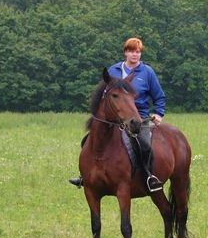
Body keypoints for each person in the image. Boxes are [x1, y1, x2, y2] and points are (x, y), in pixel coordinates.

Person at [69, 37, 167, 192]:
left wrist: (159, 113)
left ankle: (149, 177)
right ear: (125, 52)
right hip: (113, 119)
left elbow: (159, 96)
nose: (135, 55)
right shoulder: (113, 71)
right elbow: (102, 95)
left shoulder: (147, 72)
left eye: (138, 51)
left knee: (145, 145)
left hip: (137, 117)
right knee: (87, 140)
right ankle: (85, 176)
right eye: (131, 51)